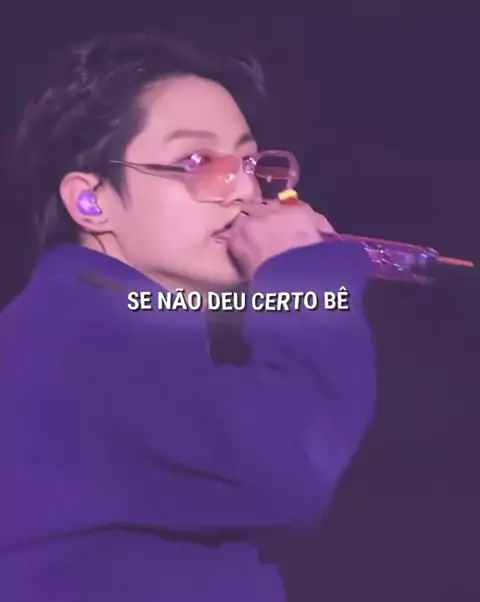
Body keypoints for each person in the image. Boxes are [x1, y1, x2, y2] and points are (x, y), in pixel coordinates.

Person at [0, 32, 376, 601]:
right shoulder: (75, 337)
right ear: (91, 201)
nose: (244, 188)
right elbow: (287, 464)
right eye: (197, 161)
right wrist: (306, 278)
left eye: (247, 162)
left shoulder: (110, 319)